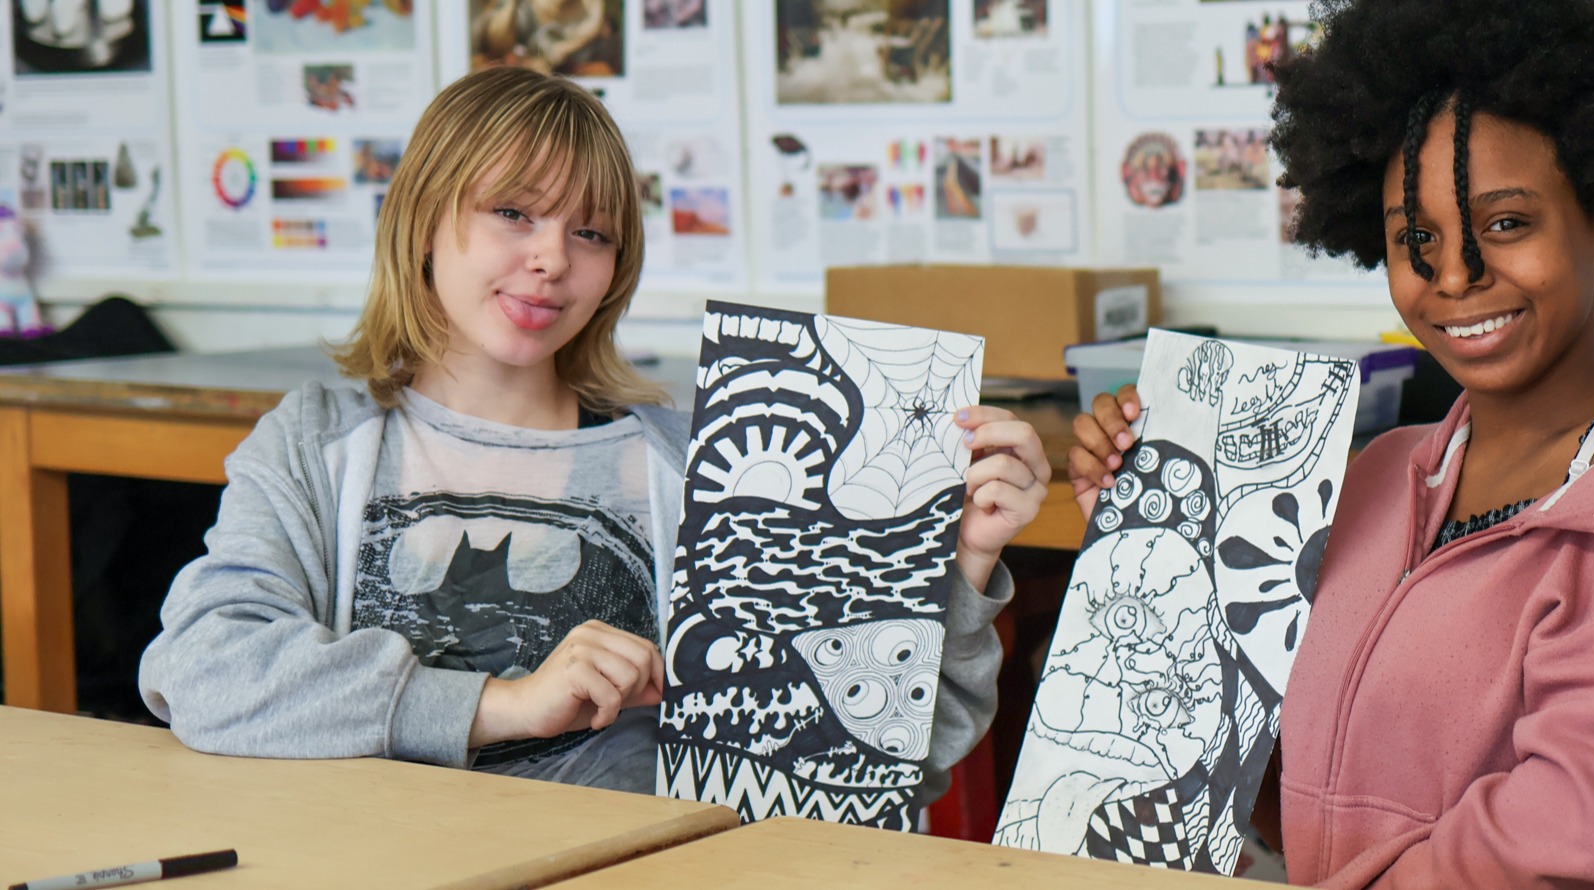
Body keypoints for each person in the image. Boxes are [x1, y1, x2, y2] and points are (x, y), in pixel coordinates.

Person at [138, 67, 1050, 800]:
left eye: (592, 232)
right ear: (422, 221)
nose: (551, 258)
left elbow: (869, 765)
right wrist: (500, 705)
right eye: (512, 213)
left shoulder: (694, 460)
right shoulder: (317, 443)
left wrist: (957, 570)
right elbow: (203, 673)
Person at [1068, 1, 1594, 886]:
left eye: (1506, 224)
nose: (1454, 278)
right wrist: (1155, 554)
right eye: (1415, 238)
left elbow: (1587, 837)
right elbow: (1290, 796)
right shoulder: (1381, 475)